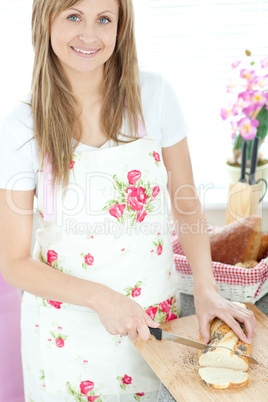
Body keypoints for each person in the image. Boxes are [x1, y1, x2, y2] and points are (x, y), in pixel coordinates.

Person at [0, 0, 256, 401]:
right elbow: (13, 262)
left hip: (155, 322)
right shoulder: (20, 126)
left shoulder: (153, 95)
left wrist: (206, 289)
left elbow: (185, 201)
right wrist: (99, 297)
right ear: (44, 19)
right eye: (73, 16)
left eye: (104, 19)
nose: (89, 34)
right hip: (69, 338)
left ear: (121, 28)